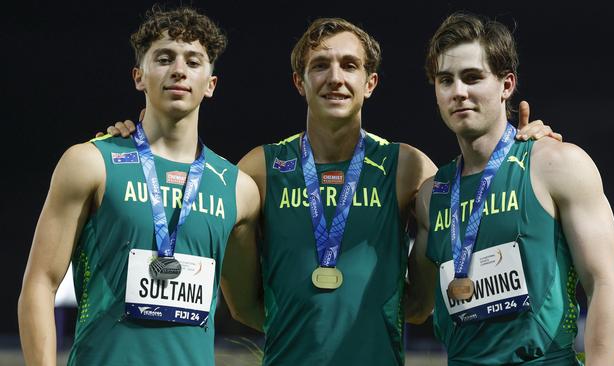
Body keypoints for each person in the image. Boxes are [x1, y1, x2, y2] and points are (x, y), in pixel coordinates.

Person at [105, 17, 556, 366]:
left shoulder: (406, 167)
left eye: (350, 65)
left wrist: (519, 145)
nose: (335, 77)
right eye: (319, 66)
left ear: (370, 83)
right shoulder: (259, 169)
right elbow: (241, 303)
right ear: (300, 82)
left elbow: (425, 295)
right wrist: (135, 138)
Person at [17, 6, 260, 366]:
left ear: (210, 85)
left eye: (193, 62)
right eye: (164, 59)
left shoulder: (239, 189)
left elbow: (246, 307)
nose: (179, 70)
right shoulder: (91, 163)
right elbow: (39, 285)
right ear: (138, 77)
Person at [406, 13, 614, 365]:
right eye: (445, 80)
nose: (459, 91)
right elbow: (417, 307)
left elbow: (606, 284)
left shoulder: (557, 164)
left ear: (506, 85)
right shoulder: (432, 195)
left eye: (473, 77)